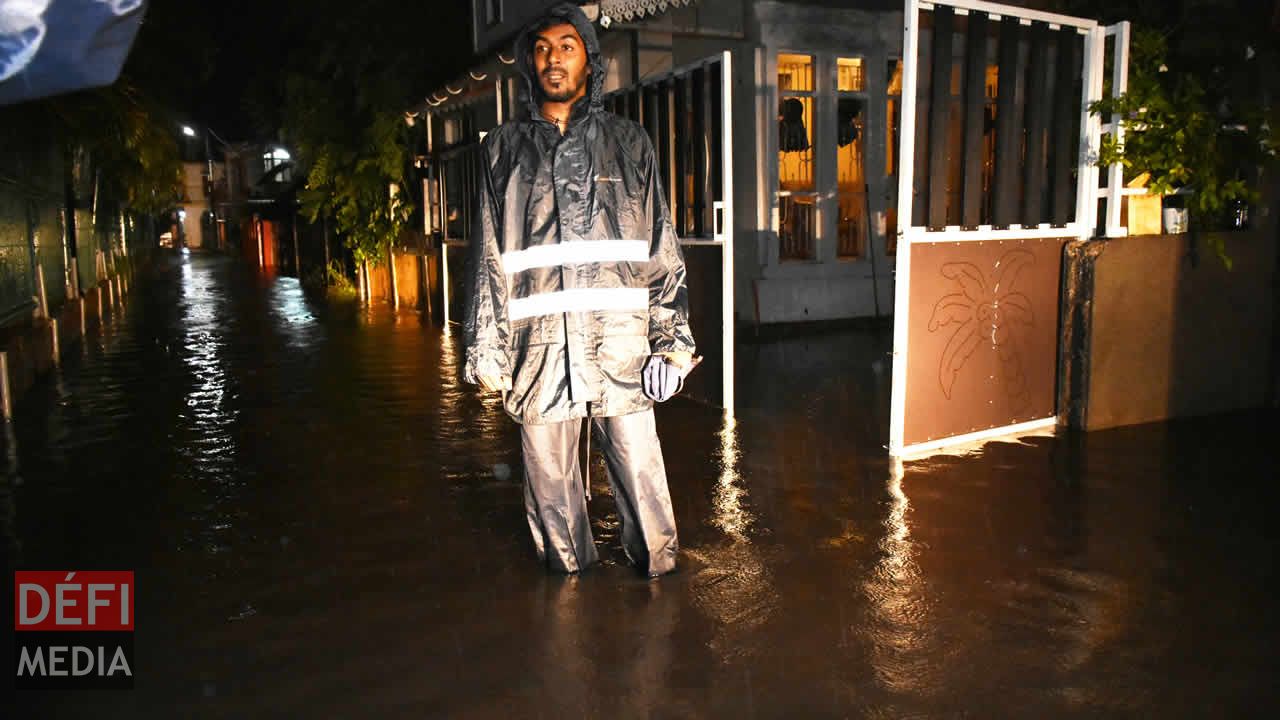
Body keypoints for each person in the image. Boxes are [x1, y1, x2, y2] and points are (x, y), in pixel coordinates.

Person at [463, 2, 696, 578]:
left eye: (567, 46)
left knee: (643, 481)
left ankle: (661, 592)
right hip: (538, 352)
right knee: (551, 499)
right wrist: (486, 349)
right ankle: (569, 617)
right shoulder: (501, 151)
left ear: (590, 60)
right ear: (528, 64)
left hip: (623, 349)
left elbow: (659, 249)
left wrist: (672, 343)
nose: (553, 58)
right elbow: (488, 257)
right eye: (542, 48)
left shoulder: (630, 143)